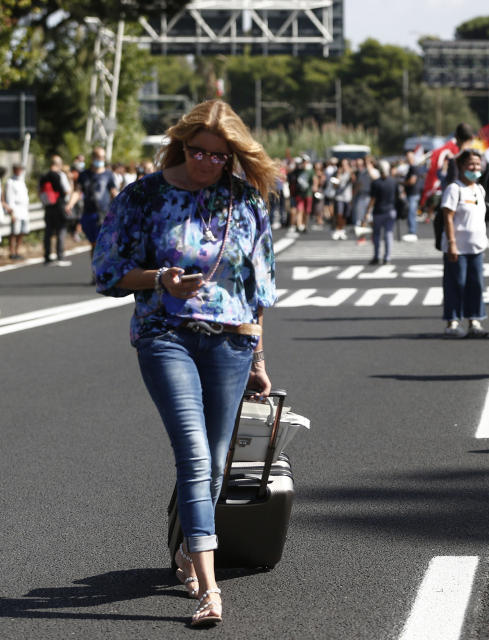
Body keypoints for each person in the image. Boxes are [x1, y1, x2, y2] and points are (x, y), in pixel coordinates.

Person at [92, 100, 277, 627]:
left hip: (232, 343)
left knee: (216, 463)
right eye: (199, 152)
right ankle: (210, 590)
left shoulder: (244, 199)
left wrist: (260, 355)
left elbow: (258, 286)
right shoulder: (144, 196)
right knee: (195, 457)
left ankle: (186, 553)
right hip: (164, 335)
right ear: (182, 143)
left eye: (220, 157)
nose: (208, 163)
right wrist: (160, 280)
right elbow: (108, 271)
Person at [440, 149, 488, 338]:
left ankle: (474, 320)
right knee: (456, 284)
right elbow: (448, 217)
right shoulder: (454, 189)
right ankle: (453, 321)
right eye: (470, 164)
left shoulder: (479, 189)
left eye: (477, 164)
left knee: (475, 284)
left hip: (476, 247)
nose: (475, 168)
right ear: (461, 166)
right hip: (457, 248)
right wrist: (452, 243)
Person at [71, 146, 118, 281]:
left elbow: (113, 192)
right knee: (94, 245)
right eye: (98, 157)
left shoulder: (108, 174)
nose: (100, 160)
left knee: (104, 244)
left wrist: (122, 203)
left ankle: (103, 271)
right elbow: (77, 191)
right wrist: (70, 204)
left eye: (102, 158)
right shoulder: (84, 175)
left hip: (105, 214)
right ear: (92, 158)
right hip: (89, 214)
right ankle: (96, 272)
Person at [38, 154, 72, 266]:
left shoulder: (44, 175)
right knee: (61, 230)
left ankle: (47, 256)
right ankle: (60, 256)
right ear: (58, 164)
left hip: (48, 207)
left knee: (48, 231)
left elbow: (40, 191)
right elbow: (65, 191)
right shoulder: (59, 175)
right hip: (60, 206)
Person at [365, 159, 399, 265]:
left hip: (379, 211)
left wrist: (367, 211)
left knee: (376, 235)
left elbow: (372, 199)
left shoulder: (376, 183)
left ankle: (377, 256)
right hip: (391, 210)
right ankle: (387, 257)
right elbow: (398, 197)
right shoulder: (393, 182)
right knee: (388, 234)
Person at [3, 164, 29, 259]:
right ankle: (12, 252)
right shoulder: (11, 182)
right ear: (14, 170)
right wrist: (12, 213)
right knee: (15, 231)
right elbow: (10, 198)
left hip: (24, 209)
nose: (20, 171)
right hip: (16, 209)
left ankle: (17, 250)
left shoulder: (21, 181)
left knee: (22, 231)